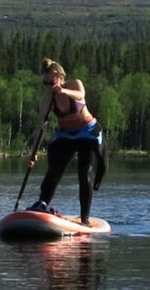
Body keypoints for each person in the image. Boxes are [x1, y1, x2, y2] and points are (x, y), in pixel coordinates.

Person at [26, 58, 106, 226]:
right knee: (54, 168)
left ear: (60, 78)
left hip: (87, 133)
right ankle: (42, 203)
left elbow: (81, 95)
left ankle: (84, 219)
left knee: (85, 174)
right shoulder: (48, 99)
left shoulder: (75, 85)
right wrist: (32, 154)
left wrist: (63, 92)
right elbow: (41, 127)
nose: (49, 86)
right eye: (45, 83)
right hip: (66, 135)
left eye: (52, 82)